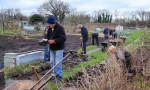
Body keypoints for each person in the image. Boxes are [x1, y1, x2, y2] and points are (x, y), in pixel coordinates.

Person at [46, 16, 66, 82]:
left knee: (58, 62)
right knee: (51, 61)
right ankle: (54, 74)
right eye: (48, 24)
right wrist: (46, 40)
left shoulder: (60, 28)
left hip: (59, 48)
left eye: (49, 24)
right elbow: (48, 36)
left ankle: (59, 76)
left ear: (53, 23)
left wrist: (54, 41)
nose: (48, 25)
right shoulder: (49, 28)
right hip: (52, 48)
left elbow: (63, 38)